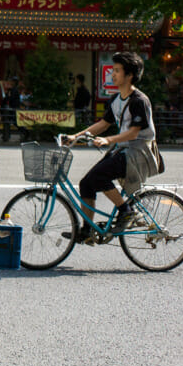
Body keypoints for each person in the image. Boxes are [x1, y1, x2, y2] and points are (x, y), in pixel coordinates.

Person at [66, 52, 163, 243]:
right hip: (123, 150)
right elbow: (103, 123)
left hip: (138, 151)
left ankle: (126, 210)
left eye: (117, 71)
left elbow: (134, 133)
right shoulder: (115, 100)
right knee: (86, 183)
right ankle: (88, 230)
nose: (113, 74)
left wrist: (107, 141)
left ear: (130, 76)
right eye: (113, 70)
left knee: (98, 176)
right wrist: (75, 137)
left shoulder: (138, 101)